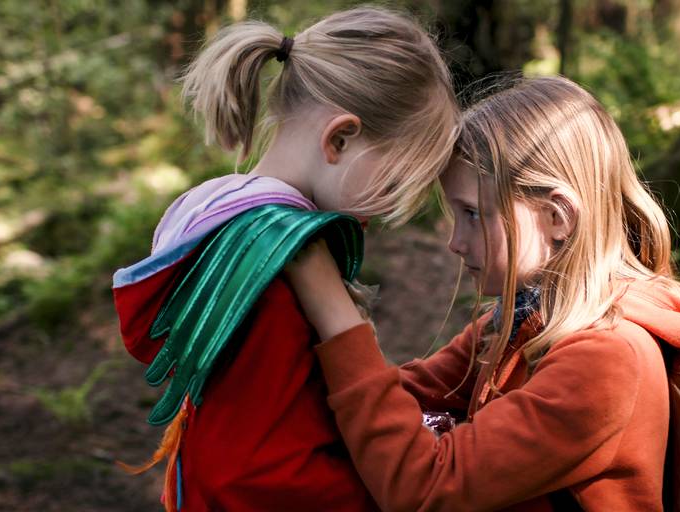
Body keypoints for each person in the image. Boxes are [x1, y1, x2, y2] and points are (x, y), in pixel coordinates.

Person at [285, 76, 680, 511]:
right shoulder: (519, 322)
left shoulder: (605, 359)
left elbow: (422, 487)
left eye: (472, 215)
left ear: (558, 217)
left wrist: (337, 317)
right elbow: (399, 397)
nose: (455, 243)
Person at [111, 7, 458, 511]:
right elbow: (261, 466)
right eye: (394, 182)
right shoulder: (275, 270)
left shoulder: (223, 212)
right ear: (340, 139)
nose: (388, 209)